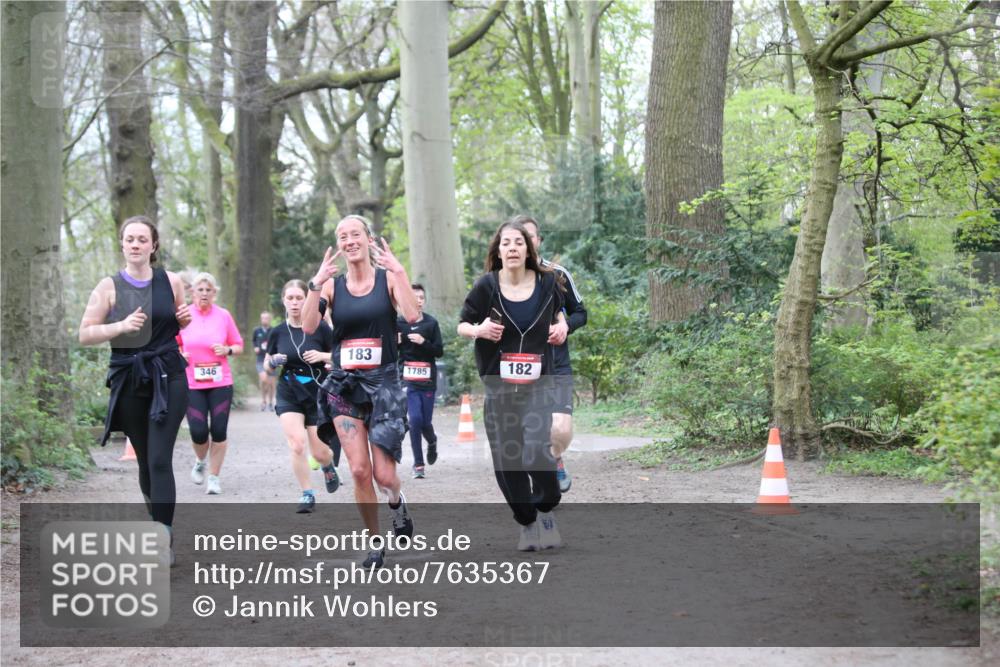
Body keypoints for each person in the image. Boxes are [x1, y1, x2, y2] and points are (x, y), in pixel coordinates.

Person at [303, 215, 419, 569]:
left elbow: (412, 315)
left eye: (355, 234)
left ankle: (397, 503)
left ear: (368, 239)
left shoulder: (386, 280)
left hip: (384, 385)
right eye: (342, 236)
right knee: (357, 470)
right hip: (344, 385)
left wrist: (400, 273)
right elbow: (309, 326)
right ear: (339, 244)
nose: (349, 241)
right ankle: (374, 543)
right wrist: (314, 284)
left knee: (384, 476)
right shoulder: (332, 287)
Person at [78, 215, 191, 553]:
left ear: (153, 245)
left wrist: (182, 321)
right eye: (130, 239)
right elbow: (85, 334)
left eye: (143, 239)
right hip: (129, 378)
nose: (136, 245)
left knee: (159, 459)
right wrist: (121, 326)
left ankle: (164, 536)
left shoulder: (171, 281)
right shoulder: (107, 287)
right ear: (122, 244)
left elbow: (177, 323)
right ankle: (157, 523)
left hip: (168, 375)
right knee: (144, 460)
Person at [458, 218, 568, 551]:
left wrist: (561, 328)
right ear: (498, 250)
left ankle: (546, 507)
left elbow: (560, 314)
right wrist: (478, 331)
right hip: (499, 386)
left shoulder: (549, 283)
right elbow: (462, 323)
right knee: (508, 460)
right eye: (506, 243)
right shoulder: (486, 286)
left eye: (518, 242)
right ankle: (528, 523)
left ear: (529, 248)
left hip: (537, 385)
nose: (513, 248)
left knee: (536, 452)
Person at [516, 215, 587, 493]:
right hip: (521, 368)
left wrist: (564, 325)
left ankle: (556, 458)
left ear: (539, 241)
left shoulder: (558, 274)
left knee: (559, 429)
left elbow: (581, 313)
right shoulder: (499, 281)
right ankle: (540, 487)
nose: (525, 242)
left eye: (530, 236)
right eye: (519, 237)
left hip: (556, 365)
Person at [266, 280, 341, 513]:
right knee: (297, 444)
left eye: (299, 298)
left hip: (317, 392)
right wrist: (272, 362)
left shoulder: (320, 328)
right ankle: (307, 493)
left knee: (319, 452)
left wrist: (321, 355)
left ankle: (328, 466)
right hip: (289, 391)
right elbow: (267, 366)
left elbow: (339, 357)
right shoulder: (277, 332)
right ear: (284, 301)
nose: (295, 302)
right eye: (291, 298)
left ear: (307, 300)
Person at [179, 272, 243, 495]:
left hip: (220, 382)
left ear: (214, 293)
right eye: (200, 289)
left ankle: (214, 477)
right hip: (191, 382)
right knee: (198, 431)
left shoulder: (223, 316)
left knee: (218, 430)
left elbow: (238, 344)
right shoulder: (184, 315)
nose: (204, 293)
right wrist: (180, 354)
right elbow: (172, 343)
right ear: (192, 292)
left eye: (209, 290)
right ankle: (200, 461)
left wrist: (227, 350)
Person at [396, 283, 444, 479]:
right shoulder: (398, 324)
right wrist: (395, 342)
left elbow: (439, 352)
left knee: (425, 421)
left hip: (427, 380)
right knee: (414, 420)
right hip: (407, 380)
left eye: (421, 298)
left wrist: (424, 342)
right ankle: (418, 464)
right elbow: (389, 352)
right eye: (413, 297)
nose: (417, 301)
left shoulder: (431, 324)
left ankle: (432, 442)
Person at [252, 312, 276, 411]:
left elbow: (277, 343)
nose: (264, 320)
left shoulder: (274, 331)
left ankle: (270, 402)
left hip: (271, 359)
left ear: (270, 319)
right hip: (260, 359)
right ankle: (263, 401)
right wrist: (255, 347)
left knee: (271, 383)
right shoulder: (256, 330)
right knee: (264, 380)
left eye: (266, 318)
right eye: (263, 318)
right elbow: (253, 341)